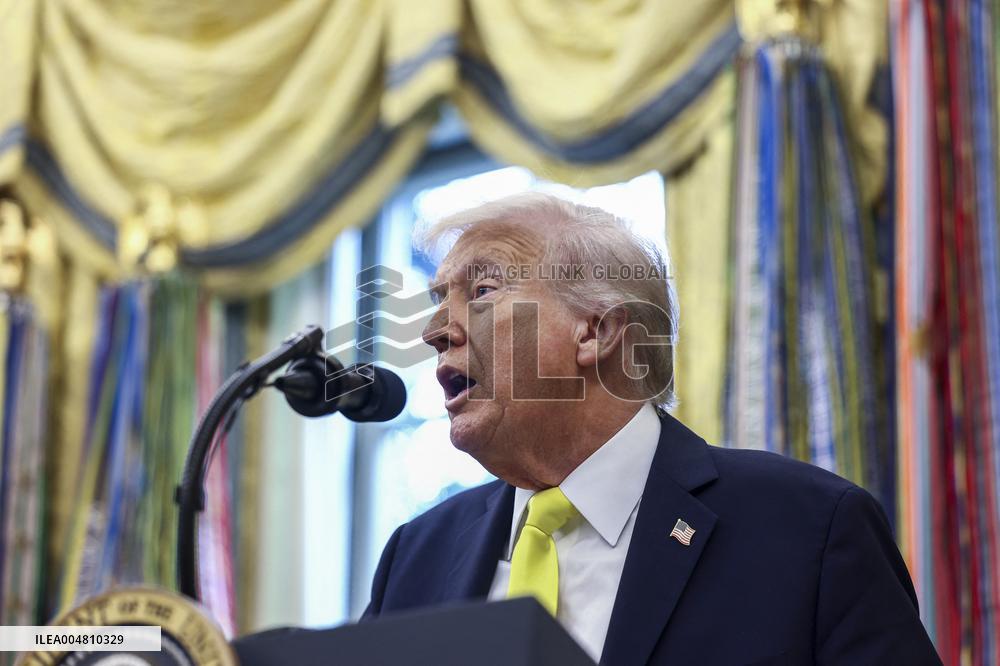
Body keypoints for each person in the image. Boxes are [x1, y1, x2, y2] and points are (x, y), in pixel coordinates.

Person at [362, 193, 941, 665]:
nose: (434, 330)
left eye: (482, 291)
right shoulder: (415, 558)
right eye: (439, 299)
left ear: (596, 332)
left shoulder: (811, 529)